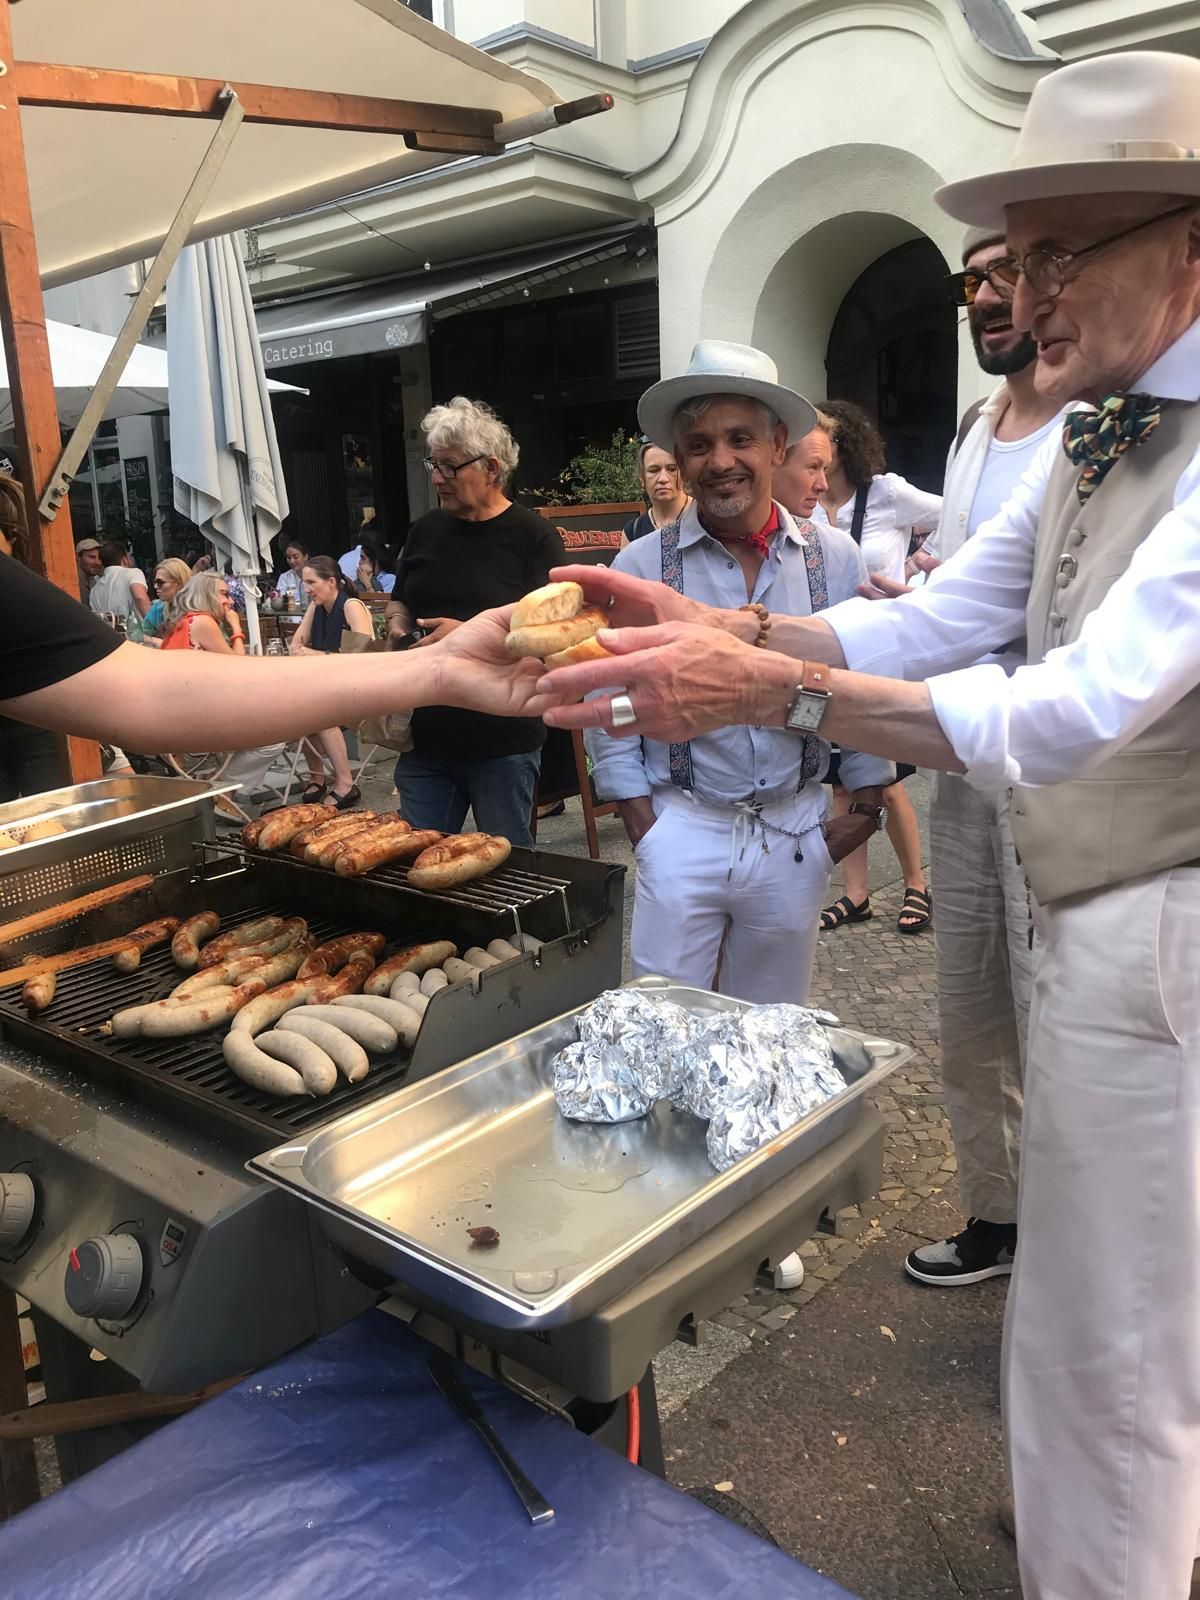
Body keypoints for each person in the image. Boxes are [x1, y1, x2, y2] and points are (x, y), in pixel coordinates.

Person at [539, 50, 1200, 1600]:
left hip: (1166, 928)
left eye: (1060, 256)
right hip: (1104, 909)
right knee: (1099, 1321)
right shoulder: (1099, 430)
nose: (1026, 303)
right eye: (1017, 262)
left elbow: (1068, 709)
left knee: (1114, 1342)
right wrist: (733, 651)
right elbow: (947, 620)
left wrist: (765, 692)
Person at [588, 345, 893, 1290]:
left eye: (737, 440)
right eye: (699, 444)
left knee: (774, 1027)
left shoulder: (831, 558)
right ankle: (653, 1211)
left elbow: (858, 682)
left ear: (778, 445)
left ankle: (759, 1218)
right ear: (679, 458)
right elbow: (612, 699)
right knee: (658, 1020)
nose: (719, 460)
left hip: (799, 826)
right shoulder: (643, 563)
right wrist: (641, 814)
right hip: (685, 818)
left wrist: (866, 795)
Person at [895, 227, 1064, 1290]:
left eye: (1011, 270)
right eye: (975, 277)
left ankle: (1068, 1240)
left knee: (1058, 1010)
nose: (990, 295)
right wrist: (917, 602)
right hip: (955, 758)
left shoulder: (1100, 425)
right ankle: (996, 1217)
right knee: (970, 1010)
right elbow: (968, 586)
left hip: (1050, 762)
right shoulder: (975, 427)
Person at [385, 396, 564, 847]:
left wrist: (464, 637)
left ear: (491, 467)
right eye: (433, 464)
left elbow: (553, 635)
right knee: (413, 864)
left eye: (449, 467)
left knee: (505, 872)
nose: (436, 478)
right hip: (427, 737)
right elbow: (398, 601)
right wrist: (399, 630)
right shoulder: (425, 530)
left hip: (501, 740)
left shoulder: (534, 537)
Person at [812, 403, 937, 935]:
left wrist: (921, 569)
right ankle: (857, 896)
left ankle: (916, 885)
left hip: (881, 653)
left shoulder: (887, 492)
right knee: (840, 784)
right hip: (830, 649)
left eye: (827, 439)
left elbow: (957, 516)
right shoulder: (808, 503)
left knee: (886, 782)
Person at [289, 554, 373, 808]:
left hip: (363, 687)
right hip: (330, 685)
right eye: (304, 583)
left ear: (331, 582)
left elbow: (361, 656)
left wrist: (313, 654)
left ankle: (346, 784)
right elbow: (296, 645)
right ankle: (318, 777)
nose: (306, 589)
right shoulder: (317, 608)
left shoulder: (351, 606)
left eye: (311, 582)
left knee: (321, 716)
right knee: (300, 712)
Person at [161, 573, 248, 656]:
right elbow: (236, 664)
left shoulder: (188, 619)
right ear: (207, 595)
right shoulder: (203, 622)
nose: (231, 601)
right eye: (225, 594)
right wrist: (236, 627)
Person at [622, 440, 691, 542]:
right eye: (654, 470)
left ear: (684, 473)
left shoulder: (708, 518)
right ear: (642, 478)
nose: (663, 478)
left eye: (671, 469)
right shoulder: (633, 532)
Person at [88, 540, 151, 623]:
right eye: (129, 556)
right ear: (124, 560)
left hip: (110, 634)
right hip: (137, 633)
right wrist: (153, 626)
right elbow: (140, 598)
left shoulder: (94, 590)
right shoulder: (133, 573)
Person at [141, 558, 194, 641]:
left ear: (179, 584)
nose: (155, 586)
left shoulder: (196, 610)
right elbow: (141, 636)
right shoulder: (158, 608)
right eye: (155, 582)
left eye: (160, 582)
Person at [273, 538, 309, 607]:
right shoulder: (284, 577)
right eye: (289, 557)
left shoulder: (316, 575)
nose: (292, 561)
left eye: (295, 557)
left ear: (305, 557)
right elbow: (280, 599)